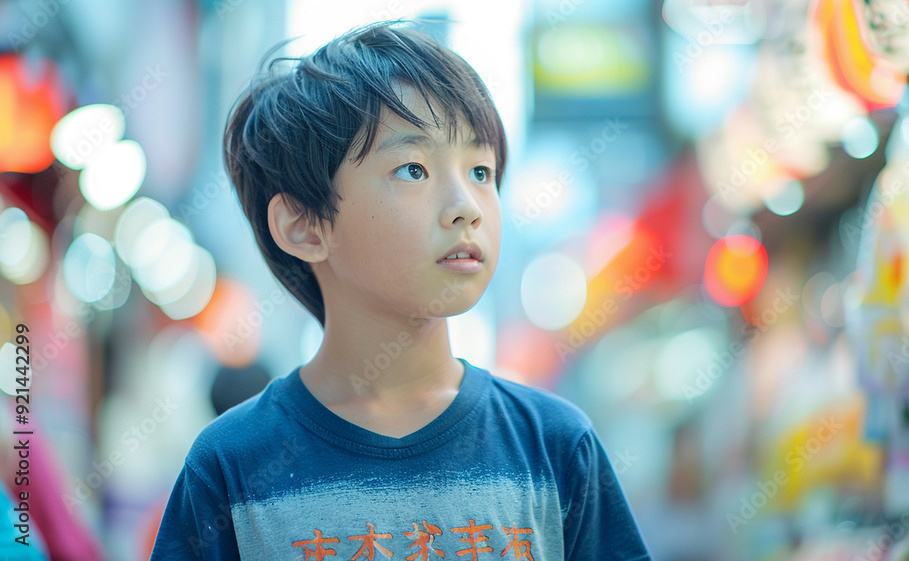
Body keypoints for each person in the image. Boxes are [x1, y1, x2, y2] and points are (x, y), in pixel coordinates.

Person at [150, 20, 651, 560]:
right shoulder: (232, 466)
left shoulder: (554, 448)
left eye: (481, 171)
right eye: (413, 169)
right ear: (304, 225)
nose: (467, 206)